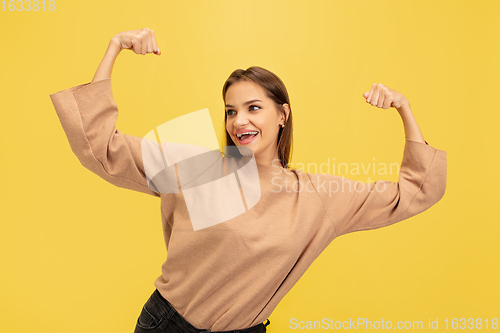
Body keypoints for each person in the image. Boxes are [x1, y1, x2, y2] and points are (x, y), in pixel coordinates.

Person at [49, 28, 447, 333]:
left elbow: (414, 192)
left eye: (253, 107)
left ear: (282, 115)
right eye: (230, 111)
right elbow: (100, 147)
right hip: (167, 323)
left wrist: (404, 109)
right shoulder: (197, 167)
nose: (239, 121)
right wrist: (114, 46)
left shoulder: (317, 196)